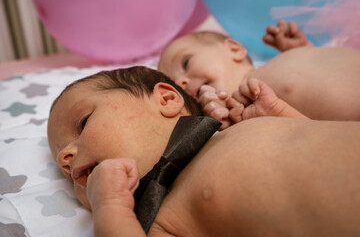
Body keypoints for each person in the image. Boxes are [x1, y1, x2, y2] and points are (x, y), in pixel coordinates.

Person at [48, 66, 360, 237]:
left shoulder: (230, 133)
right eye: (60, 159)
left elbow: (318, 141)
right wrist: (111, 208)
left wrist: (281, 113)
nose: (65, 157)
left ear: (168, 100)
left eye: (84, 122)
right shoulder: (162, 219)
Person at [157, 21, 360, 129]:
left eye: (186, 62)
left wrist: (305, 50)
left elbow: (324, 73)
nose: (182, 82)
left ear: (234, 49)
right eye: (175, 84)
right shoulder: (244, 114)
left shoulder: (266, 69)